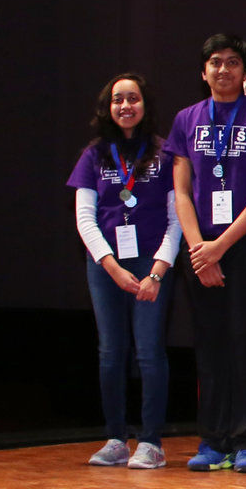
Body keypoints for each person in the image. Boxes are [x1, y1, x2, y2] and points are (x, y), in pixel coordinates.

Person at [169, 33, 246, 472]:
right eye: (215, 62)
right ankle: (212, 439)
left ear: (245, 71)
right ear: (204, 72)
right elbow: (182, 192)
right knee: (210, 344)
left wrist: (221, 247)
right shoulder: (187, 119)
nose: (224, 70)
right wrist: (200, 249)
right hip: (200, 247)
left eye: (233, 62)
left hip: (245, 244)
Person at [69, 72, 179, 468]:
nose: (126, 106)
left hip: (152, 264)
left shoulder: (166, 154)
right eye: (118, 100)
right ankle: (116, 438)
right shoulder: (94, 155)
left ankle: (151, 442)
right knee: (111, 352)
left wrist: (157, 272)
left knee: (149, 352)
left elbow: (177, 220)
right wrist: (111, 266)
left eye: (133, 98)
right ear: (108, 107)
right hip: (106, 265)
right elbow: (85, 218)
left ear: (145, 105)